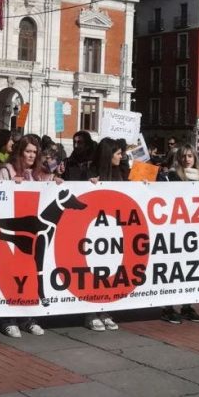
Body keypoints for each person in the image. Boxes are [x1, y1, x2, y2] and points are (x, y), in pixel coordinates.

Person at [0, 134, 50, 337]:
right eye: (28, 151)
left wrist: (58, 182)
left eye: (35, 152)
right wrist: (8, 187)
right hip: (12, 232)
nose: (31, 155)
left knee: (30, 273)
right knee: (11, 273)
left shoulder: (41, 174)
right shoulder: (6, 171)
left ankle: (28, 317)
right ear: (20, 152)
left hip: (33, 237)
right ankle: (8, 318)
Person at [161, 143, 199, 324]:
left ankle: (187, 305)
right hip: (177, 229)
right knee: (174, 270)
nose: (186, 159)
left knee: (191, 269)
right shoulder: (173, 176)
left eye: (190, 156)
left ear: (195, 158)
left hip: (195, 231)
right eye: (183, 156)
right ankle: (169, 307)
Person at [83, 137, 125, 331]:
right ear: (109, 155)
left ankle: (105, 309)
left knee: (110, 270)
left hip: (114, 231)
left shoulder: (120, 173)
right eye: (118, 153)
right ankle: (90, 312)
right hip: (92, 232)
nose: (121, 156)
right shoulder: (89, 174)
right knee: (94, 271)